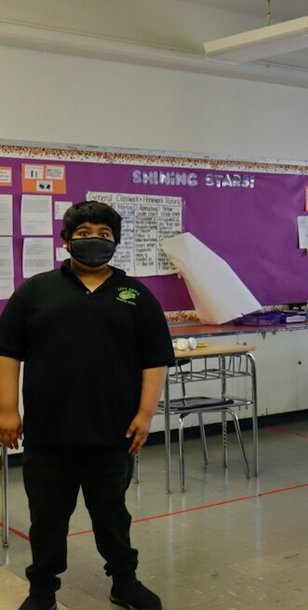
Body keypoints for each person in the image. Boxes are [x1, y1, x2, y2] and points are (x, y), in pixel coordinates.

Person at [0, 201, 174, 610]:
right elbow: (7, 352)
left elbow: (155, 359)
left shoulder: (136, 296)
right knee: (47, 518)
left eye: (104, 234)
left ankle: (124, 582)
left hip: (113, 432)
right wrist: (7, 410)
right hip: (48, 433)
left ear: (115, 242)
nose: (93, 240)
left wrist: (145, 414)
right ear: (66, 241)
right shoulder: (35, 291)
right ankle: (42, 591)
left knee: (112, 515)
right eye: (83, 233)